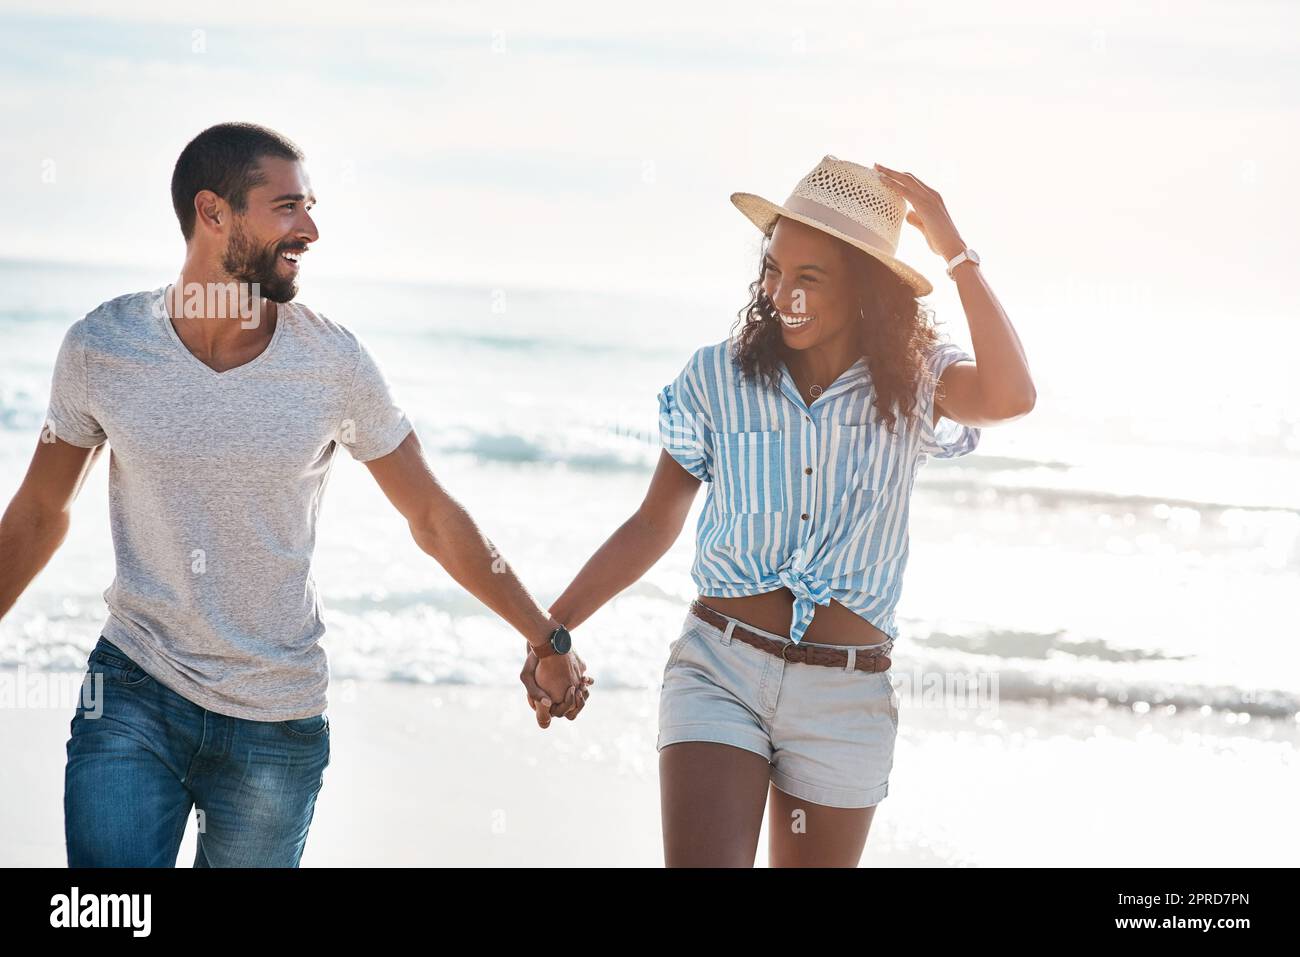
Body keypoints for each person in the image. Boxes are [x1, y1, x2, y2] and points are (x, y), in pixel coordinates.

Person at [0, 122, 589, 867]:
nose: (309, 229)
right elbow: (42, 510)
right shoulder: (103, 348)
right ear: (213, 213)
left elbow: (432, 515)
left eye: (309, 207)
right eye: (287, 207)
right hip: (133, 692)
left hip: (275, 724)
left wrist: (546, 634)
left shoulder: (331, 363)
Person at [532, 155, 1036, 866]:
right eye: (774, 270)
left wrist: (954, 248)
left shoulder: (916, 377)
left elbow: (1014, 395)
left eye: (810, 277)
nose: (782, 294)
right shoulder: (717, 376)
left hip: (846, 697)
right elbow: (654, 522)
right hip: (720, 671)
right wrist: (552, 630)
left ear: (865, 290)